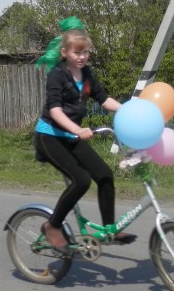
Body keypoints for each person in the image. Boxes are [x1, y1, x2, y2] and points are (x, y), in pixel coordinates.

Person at [33, 17, 133, 255]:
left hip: (71, 137)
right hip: (50, 136)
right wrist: (77, 130)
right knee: (81, 180)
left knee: (105, 175)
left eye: (85, 52)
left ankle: (109, 229)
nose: (81, 56)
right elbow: (55, 110)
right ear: (65, 52)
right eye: (77, 52)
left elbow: (104, 100)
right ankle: (52, 226)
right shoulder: (57, 75)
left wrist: (128, 110)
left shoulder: (87, 74)